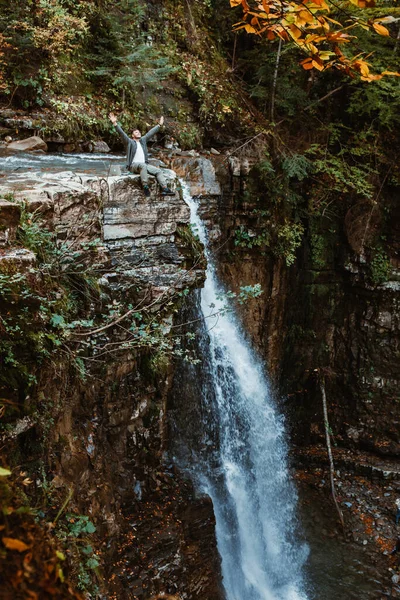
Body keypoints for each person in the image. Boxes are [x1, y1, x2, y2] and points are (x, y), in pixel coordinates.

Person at [109, 112, 174, 198]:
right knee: (143, 165)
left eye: (139, 132)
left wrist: (159, 125)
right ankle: (145, 186)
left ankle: (165, 189)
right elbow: (122, 133)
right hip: (133, 166)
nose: (138, 133)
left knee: (158, 171)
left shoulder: (143, 141)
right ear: (132, 135)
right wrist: (114, 123)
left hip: (144, 165)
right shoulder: (130, 142)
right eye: (136, 132)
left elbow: (150, 133)